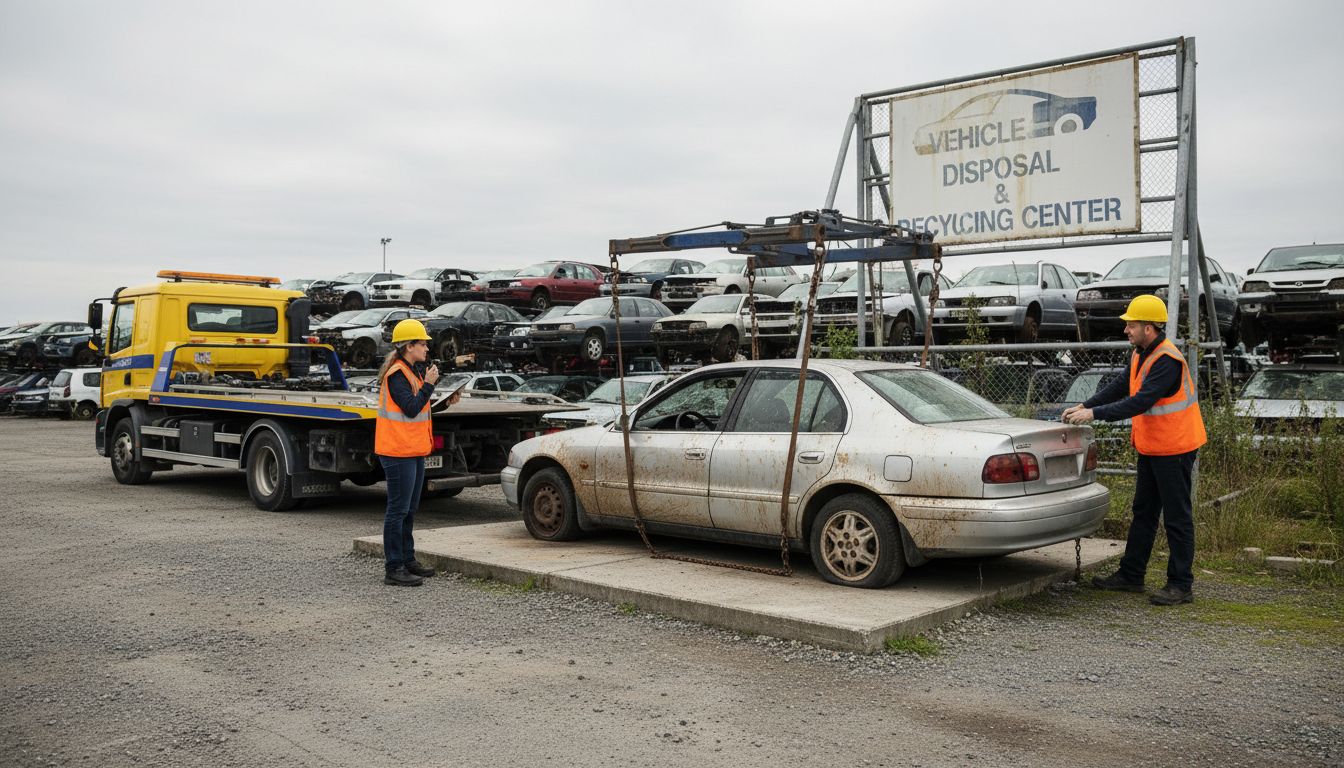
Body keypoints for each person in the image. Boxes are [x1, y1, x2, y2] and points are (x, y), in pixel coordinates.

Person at [1062, 294, 1207, 606]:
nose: (1126, 329)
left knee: (1177, 518)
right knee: (1144, 511)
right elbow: (1119, 387)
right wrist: (1086, 404)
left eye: (1132, 324)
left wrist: (1094, 414)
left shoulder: (1167, 359)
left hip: (1176, 448)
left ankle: (1181, 585)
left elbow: (1140, 401)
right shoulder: (1142, 353)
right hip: (1154, 448)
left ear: (1149, 327)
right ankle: (1131, 575)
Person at [375, 319, 461, 586]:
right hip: (397, 450)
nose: (427, 348)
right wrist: (431, 385)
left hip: (412, 449)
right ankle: (394, 567)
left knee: (409, 509)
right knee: (398, 510)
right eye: (422, 343)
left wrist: (443, 402)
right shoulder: (397, 374)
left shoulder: (412, 372)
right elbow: (411, 407)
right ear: (408, 346)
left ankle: (407, 560)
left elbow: (420, 410)